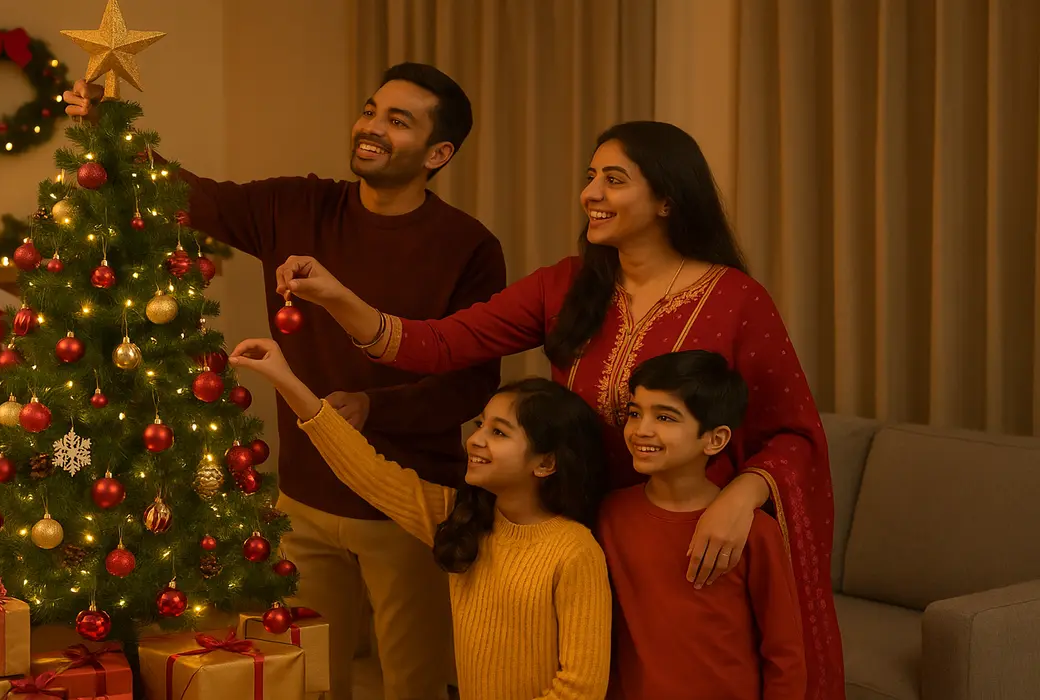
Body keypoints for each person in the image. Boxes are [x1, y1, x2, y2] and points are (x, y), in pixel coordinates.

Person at [266, 121, 846, 699]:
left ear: (669, 198)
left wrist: (739, 501)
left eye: (613, 180)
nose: (590, 193)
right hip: (581, 531)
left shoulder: (736, 301)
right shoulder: (566, 286)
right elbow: (438, 344)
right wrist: (337, 298)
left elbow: (793, 432)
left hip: (689, 547)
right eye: (590, 177)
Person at [64, 64, 506, 700]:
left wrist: (371, 407)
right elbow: (195, 196)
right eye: (371, 110)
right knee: (309, 681)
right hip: (304, 500)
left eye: (397, 121)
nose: (372, 127)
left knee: (415, 682)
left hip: (409, 506)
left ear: (439, 153)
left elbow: (471, 385)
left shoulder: (468, 247)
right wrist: (111, 132)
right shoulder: (296, 206)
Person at [229, 337, 612, 700]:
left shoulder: (574, 551)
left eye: (499, 432)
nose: (476, 439)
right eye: (480, 425)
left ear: (546, 463)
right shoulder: (460, 518)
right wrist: (285, 378)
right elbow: (364, 470)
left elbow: (580, 687)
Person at [601, 350, 806, 699]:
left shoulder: (754, 531)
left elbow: (784, 654)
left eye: (665, 418)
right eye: (635, 413)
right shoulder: (610, 514)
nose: (641, 430)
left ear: (715, 439)